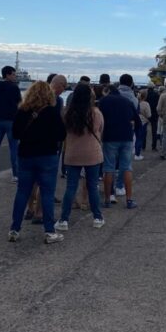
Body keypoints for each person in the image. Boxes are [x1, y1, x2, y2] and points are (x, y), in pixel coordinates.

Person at [9, 81, 67, 243]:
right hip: (47, 155)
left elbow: (15, 133)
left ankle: (14, 229)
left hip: (26, 155)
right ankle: (49, 231)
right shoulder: (51, 112)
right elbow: (61, 135)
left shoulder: (22, 111)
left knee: (23, 192)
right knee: (47, 193)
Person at [56, 83, 105, 231]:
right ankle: (97, 217)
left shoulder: (67, 112)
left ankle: (64, 219)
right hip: (92, 153)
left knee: (71, 187)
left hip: (73, 153)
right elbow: (101, 130)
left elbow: (62, 131)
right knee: (93, 186)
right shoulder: (96, 113)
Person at [99, 81, 138, 207]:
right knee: (126, 167)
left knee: (109, 168)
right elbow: (137, 121)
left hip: (110, 137)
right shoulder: (127, 102)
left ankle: (107, 199)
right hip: (126, 137)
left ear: (107, 91)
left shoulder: (104, 102)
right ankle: (129, 200)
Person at [134, 89, 150, 161]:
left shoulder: (135, 102)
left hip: (135, 121)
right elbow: (149, 114)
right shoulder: (146, 104)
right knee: (140, 138)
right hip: (143, 122)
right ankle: (137, 154)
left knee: (136, 137)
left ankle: (135, 152)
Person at [146, 83, 161, 151]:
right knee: (154, 130)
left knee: (144, 129)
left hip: (145, 114)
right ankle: (154, 146)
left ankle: (143, 145)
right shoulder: (156, 95)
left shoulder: (145, 94)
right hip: (154, 114)